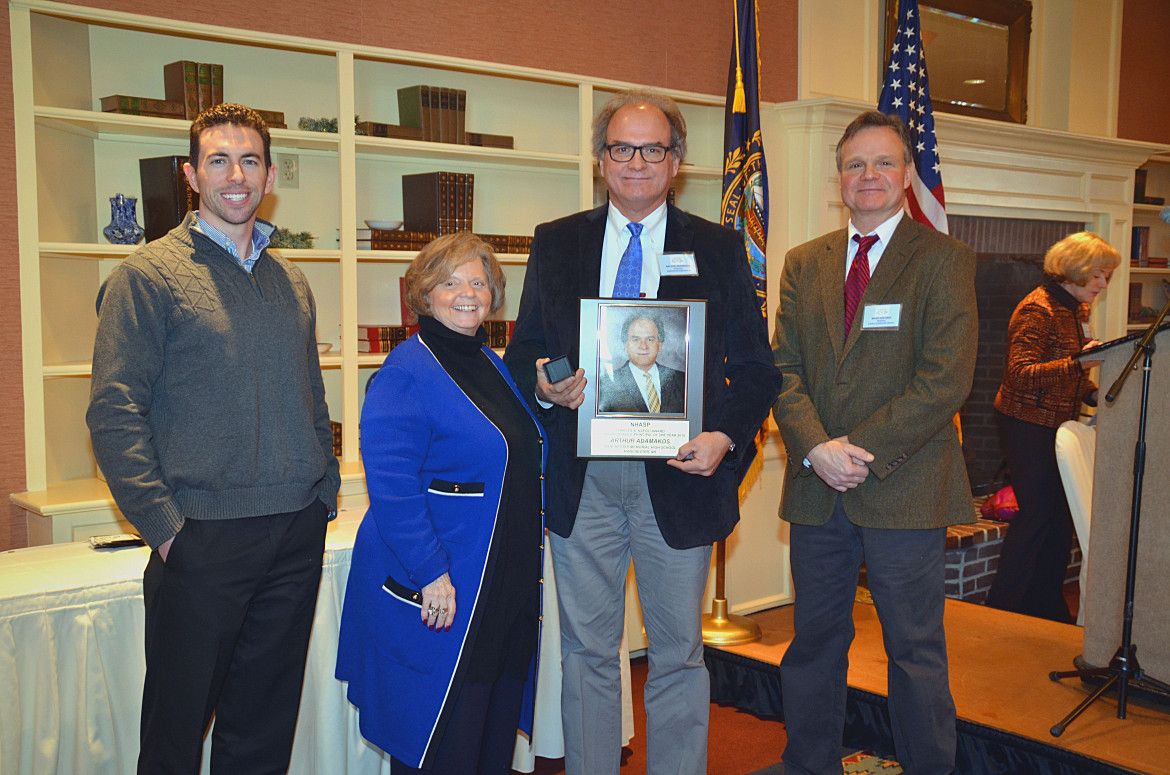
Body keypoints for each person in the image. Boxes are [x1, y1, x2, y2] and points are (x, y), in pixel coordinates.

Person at [504, 89, 781, 775]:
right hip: (584, 481)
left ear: (676, 160)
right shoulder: (557, 241)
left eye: (652, 148)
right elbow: (525, 350)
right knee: (589, 653)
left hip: (681, 479)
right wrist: (544, 380)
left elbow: (755, 370)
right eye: (621, 148)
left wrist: (724, 437)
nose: (636, 162)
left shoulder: (718, 248)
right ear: (601, 160)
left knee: (679, 654)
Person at [86, 103, 340, 774]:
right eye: (219, 160)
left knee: (261, 733)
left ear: (269, 174)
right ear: (191, 174)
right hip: (200, 538)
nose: (236, 175)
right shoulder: (147, 276)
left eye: (250, 160)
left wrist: (324, 492)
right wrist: (167, 529)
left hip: (294, 532)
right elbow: (113, 412)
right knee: (174, 736)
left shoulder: (292, 279)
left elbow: (311, 394)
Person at [770, 109, 978, 775]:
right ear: (839, 178)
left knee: (915, 650)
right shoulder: (805, 262)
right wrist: (815, 447)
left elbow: (945, 379)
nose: (869, 176)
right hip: (816, 485)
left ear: (908, 174)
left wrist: (854, 448)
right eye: (855, 164)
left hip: (906, 484)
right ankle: (809, 764)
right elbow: (784, 369)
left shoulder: (944, 259)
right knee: (815, 643)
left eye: (884, 162)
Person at [336, 233, 547, 774]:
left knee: (490, 737)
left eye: (479, 281)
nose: (467, 293)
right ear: (424, 293)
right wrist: (431, 572)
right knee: (439, 741)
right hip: (448, 591)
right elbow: (391, 487)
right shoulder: (406, 370)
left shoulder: (489, 361)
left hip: (503, 587)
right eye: (450, 282)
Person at [986, 232, 1118, 623]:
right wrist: (1082, 362)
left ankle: (1045, 609)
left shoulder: (1075, 309)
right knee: (1037, 516)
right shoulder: (1038, 309)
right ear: (1075, 271)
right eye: (1098, 276)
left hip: (1057, 422)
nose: (1103, 285)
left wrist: (1095, 395)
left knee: (1059, 520)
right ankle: (1002, 612)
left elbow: (1066, 373)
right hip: (1026, 423)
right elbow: (1021, 375)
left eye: (1107, 277)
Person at [598, 313, 685, 414]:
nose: (643, 347)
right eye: (636, 339)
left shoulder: (682, 380)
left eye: (650, 339)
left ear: (659, 345)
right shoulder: (606, 383)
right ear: (626, 345)